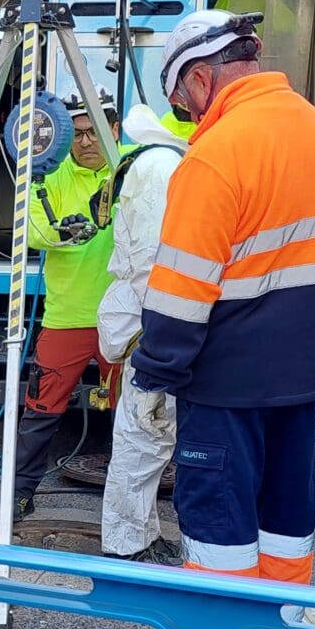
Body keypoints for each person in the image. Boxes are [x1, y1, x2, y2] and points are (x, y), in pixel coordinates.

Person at [132, 10, 315, 629]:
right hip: (305, 375)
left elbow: (181, 287)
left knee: (220, 526)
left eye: (184, 102)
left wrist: (156, 375)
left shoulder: (218, 153)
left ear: (203, 77)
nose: (186, 117)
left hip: (228, 380)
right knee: (285, 519)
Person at [9, 89, 125, 518]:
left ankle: (132, 501)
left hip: (128, 316)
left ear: (115, 130)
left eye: (95, 132)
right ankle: (18, 495)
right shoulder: (49, 175)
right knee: (41, 410)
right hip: (68, 316)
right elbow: (33, 230)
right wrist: (65, 233)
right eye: (77, 134)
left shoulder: (133, 166)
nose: (87, 141)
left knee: (134, 414)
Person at [96, 104, 188, 562]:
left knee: (149, 435)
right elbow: (153, 265)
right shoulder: (162, 169)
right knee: (145, 434)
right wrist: (162, 330)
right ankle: (126, 545)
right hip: (151, 321)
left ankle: (141, 534)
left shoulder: (157, 164)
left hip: (147, 318)